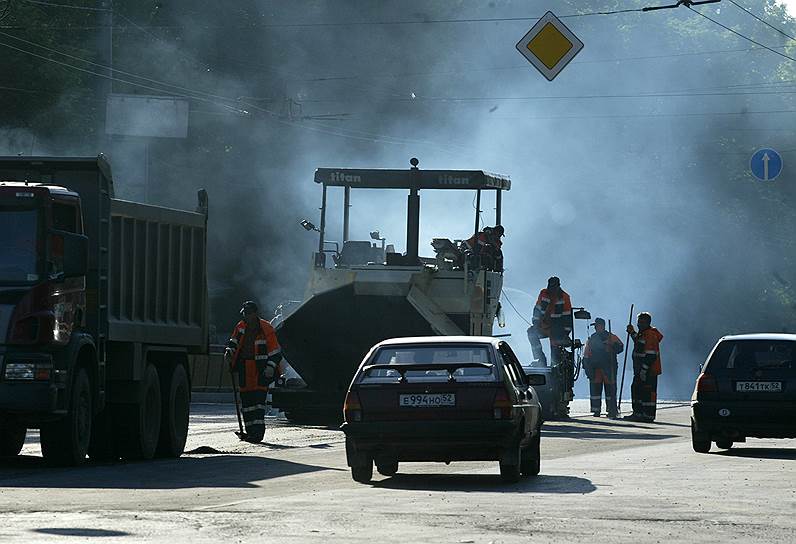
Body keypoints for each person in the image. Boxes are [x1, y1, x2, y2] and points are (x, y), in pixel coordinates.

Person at [225, 301, 283, 442]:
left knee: (258, 403)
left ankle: (257, 434)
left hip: (260, 371)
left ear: (255, 313)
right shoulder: (240, 326)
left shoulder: (266, 328)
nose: (246, 316)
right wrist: (229, 351)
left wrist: (270, 367)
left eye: (248, 313)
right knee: (247, 403)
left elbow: (276, 352)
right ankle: (250, 432)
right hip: (244, 368)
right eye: (245, 313)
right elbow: (233, 342)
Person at [625, 312, 663, 422]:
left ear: (647, 323)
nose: (639, 324)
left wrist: (643, 370)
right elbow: (639, 343)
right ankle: (640, 414)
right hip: (641, 370)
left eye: (641, 322)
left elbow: (650, 355)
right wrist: (632, 333)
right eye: (638, 322)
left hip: (648, 370)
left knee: (645, 392)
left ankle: (645, 415)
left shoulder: (650, 334)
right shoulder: (644, 333)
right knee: (638, 390)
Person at [582, 318, 624, 418]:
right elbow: (586, 353)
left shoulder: (611, 337)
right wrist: (586, 366)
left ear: (602, 326)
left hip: (609, 368)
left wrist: (613, 346)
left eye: (597, 325)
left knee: (610, 390)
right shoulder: (591, 338)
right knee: (595, 390)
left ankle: (611, 410)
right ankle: (596, 410)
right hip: (595, 369)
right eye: (595, 326)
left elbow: (621, 347)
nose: (595, 328)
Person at [527, 276, 572, 366]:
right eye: (550, 287)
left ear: (558, 287)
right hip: (543, 326)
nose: (552, 290)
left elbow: (568, 316)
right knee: (531, 333)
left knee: (555, 347)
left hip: (557, 329)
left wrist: (565, 333)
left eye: (553, 287)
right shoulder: (543, 293)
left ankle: (555, 364)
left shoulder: (565, 297)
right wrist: (535, 323)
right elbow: (537, 309)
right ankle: (541, 359)